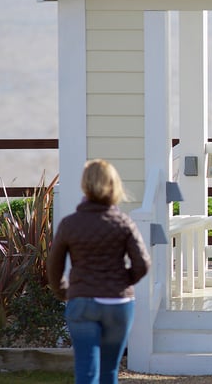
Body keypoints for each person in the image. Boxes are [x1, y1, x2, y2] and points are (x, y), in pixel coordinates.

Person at [47, 159, 151, 384]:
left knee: (86, 372)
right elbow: (142, 264)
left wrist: (64, 291)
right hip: (118, 305)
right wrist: (124, 282)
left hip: (83, 301)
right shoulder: (123, 222)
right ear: (114, 186)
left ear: (85, 186)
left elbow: (54, 267)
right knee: (109, 372)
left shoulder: (69, 224)